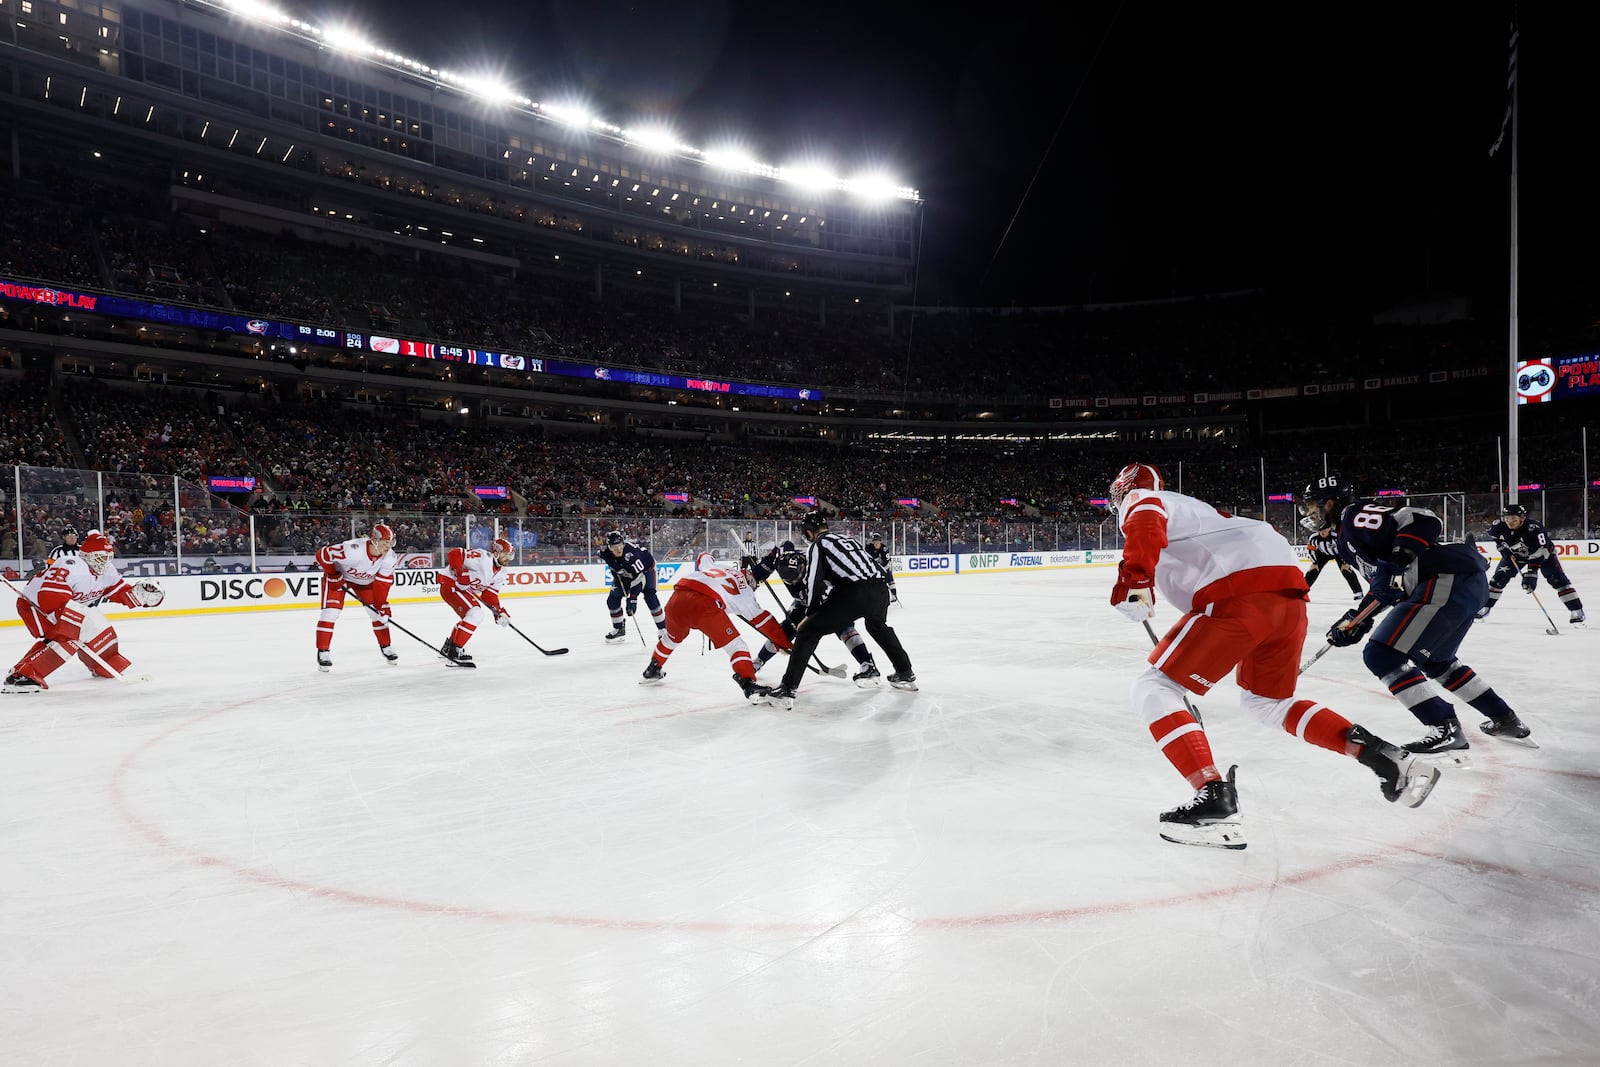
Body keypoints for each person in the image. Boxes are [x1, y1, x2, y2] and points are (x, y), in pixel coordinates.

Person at [1111, 463, 1439, 850]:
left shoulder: (1145, 500)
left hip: (1238, 596)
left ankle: (1213, 796)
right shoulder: (1197, 515)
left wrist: (1135, 579)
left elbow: (1145, 515)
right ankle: (1389, 759)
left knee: (1154, 688)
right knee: (1267, 703)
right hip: (1288, 601)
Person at [1303, 474, 1535, 761]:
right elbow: (1386, 589)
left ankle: (1444, 726)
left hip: (1444, 577)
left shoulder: (1353, 515)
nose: (1309, 513)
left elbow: (1423, 519)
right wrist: (1357, 620)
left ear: (1330, 503)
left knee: (1381, 654)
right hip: (1457, 583)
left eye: (1312, 505)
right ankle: (1506, 720)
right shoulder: (1347, 542)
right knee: (1437, 661)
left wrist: (1397, 561)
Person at [767, 511, 916, 710]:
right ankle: (905, 672)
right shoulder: (848, 538)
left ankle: (787, 689)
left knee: (808, 632)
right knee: (877, 626)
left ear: (809, 532)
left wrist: (810, 614)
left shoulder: (818, 545)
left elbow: (814, 583)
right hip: (880, 589)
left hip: (854, 592)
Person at [4, 532, 165, 693]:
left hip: (64, 606)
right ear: (86, 555)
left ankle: (103, 662)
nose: (105, 562)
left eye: (108, 557)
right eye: (100, 557)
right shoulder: (70, 565)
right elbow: (48, 595)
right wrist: (70, 622)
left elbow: (118, 591)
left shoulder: (107, 570)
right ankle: (23, 675)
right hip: (36, 606)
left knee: (97, 624)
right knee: (70, 634)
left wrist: (140, 595)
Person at [641, 551, 791, 705]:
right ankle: (748, 683)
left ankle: (652, 669)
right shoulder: (746, 592)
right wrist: (784, 643)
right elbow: (764, 621)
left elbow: (703, 556)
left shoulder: (721, 567)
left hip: (677, 598)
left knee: (671, 639)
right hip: (704, 605)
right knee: (737, 645)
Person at [751, 541, 881, 685]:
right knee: (783, 632)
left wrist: (806, 619)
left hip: (827, 599)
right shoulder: (778, 560)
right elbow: (756, 576)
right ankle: (757, 662)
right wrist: (761, 567)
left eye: (797, 576)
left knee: (844, 627)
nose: (794, 581)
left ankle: (868, 664)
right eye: (789, 580)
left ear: (802, 565)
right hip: (803, 603)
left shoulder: (813, 561)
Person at [1478, 503, 1585, 625]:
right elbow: (1496, 538)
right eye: (1507, 518)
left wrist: (1531, 572)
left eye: (1513, 518)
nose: (1509, 521)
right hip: (1516, 556)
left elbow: (1542, 550)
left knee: (1558, 581)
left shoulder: (1534, 528)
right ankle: (1484, 608)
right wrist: (1503, 549)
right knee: (1497, 580)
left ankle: (1577, 611)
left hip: (1544, 556)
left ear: (1522, 518)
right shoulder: (1498, 526)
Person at [313, 523, 398, 672]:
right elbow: (322, 554)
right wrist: (333, 574)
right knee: (330, 613)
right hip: (340, 578)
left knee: (377, 614)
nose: (388, 547)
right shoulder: (353, 550)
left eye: (390, 543)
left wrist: (381, 605)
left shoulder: (389, 557)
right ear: (374, 540)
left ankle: (386, 646)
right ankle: (323, 651)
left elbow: (383, 584)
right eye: (385, 543)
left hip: (366, 582)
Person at [436, 536, 513, 668]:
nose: (508, 558)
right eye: (505, 554)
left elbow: (490, 594)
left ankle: (449, 648)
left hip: (462, 591)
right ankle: (455, 652)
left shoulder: (502, 572)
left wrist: (498, 612)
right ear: (495, 553)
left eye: (510, 555)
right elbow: (455, 553)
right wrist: (460, 573)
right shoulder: (483, 558)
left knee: (471, 616)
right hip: (450, 585)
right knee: (475, 614)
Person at [597, 530, 666, 641]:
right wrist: (616, 568)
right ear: (609, 547)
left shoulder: (633, 556)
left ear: (623, 544)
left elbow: (638, 580)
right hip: (625, 573)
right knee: (612, 599)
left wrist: (633, 599)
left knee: (650, 596)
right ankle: (619, 629)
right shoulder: (605, 552)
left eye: (620, 546)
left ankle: (663, 629)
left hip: (646, 571)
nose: (618, 549)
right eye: (614, 548)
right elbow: (604, 555)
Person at [1299, 509, 1364, 601]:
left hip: (1339, 554)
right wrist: (1314, 562)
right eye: (1320, 530)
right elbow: (1311, 550)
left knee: (1346, 570)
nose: (1322, 532)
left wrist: (1346, 561)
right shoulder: (1314, 538)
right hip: (1323, 554)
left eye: (1325, 529)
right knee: (1313, 571)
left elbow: (1346, 547)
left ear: (1329, 528)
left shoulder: (1336, 536)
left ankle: (1358, 592)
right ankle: (1301, 592)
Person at [865, 533, 899, 604]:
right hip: (873, 567)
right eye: (874, 541)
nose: (876, 543)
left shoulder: (884, 549)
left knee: (889, 579)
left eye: (878, 541)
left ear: (880, 541)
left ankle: (894, 595)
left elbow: (886, 562)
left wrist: (882, 571)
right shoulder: (868, 547)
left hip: (886, 566)